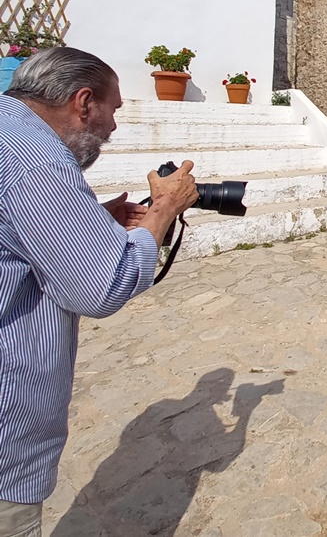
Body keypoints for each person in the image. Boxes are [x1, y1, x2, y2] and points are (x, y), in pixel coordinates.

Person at [0, 47, 198, 537]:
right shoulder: (36, 157)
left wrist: (93, 222)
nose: (112, 126)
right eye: (113, 110)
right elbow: (99, 288)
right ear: (83, 102)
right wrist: (163, 210)